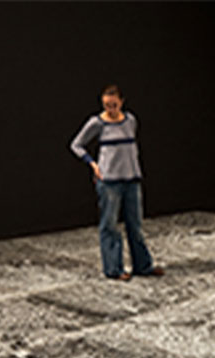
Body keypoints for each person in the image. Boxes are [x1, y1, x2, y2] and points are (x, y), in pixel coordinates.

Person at [69, 84, 164, 281]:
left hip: (131, 179)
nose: (110, 109)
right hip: (109, 181)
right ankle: (114, 268)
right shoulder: (97, 123)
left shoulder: (130, 121)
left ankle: (143, 265)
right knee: (110, 225)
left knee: (135, 225)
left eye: (114, 105)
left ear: (121, 102)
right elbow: (76, 144)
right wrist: (93, 164)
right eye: (106, 105)